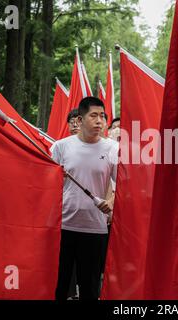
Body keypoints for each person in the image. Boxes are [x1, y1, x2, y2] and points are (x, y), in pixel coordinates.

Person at [51, 97, 119, 300]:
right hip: (62, 227)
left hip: (95, 228)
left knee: (89, 288)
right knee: (59, 285)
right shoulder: (60, 147)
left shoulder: (112, 149)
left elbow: (122, 185)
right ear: (80, 120)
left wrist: (111, 203)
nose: (99, 121)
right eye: (94, 115)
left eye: (103, 116)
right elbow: (46, 185)